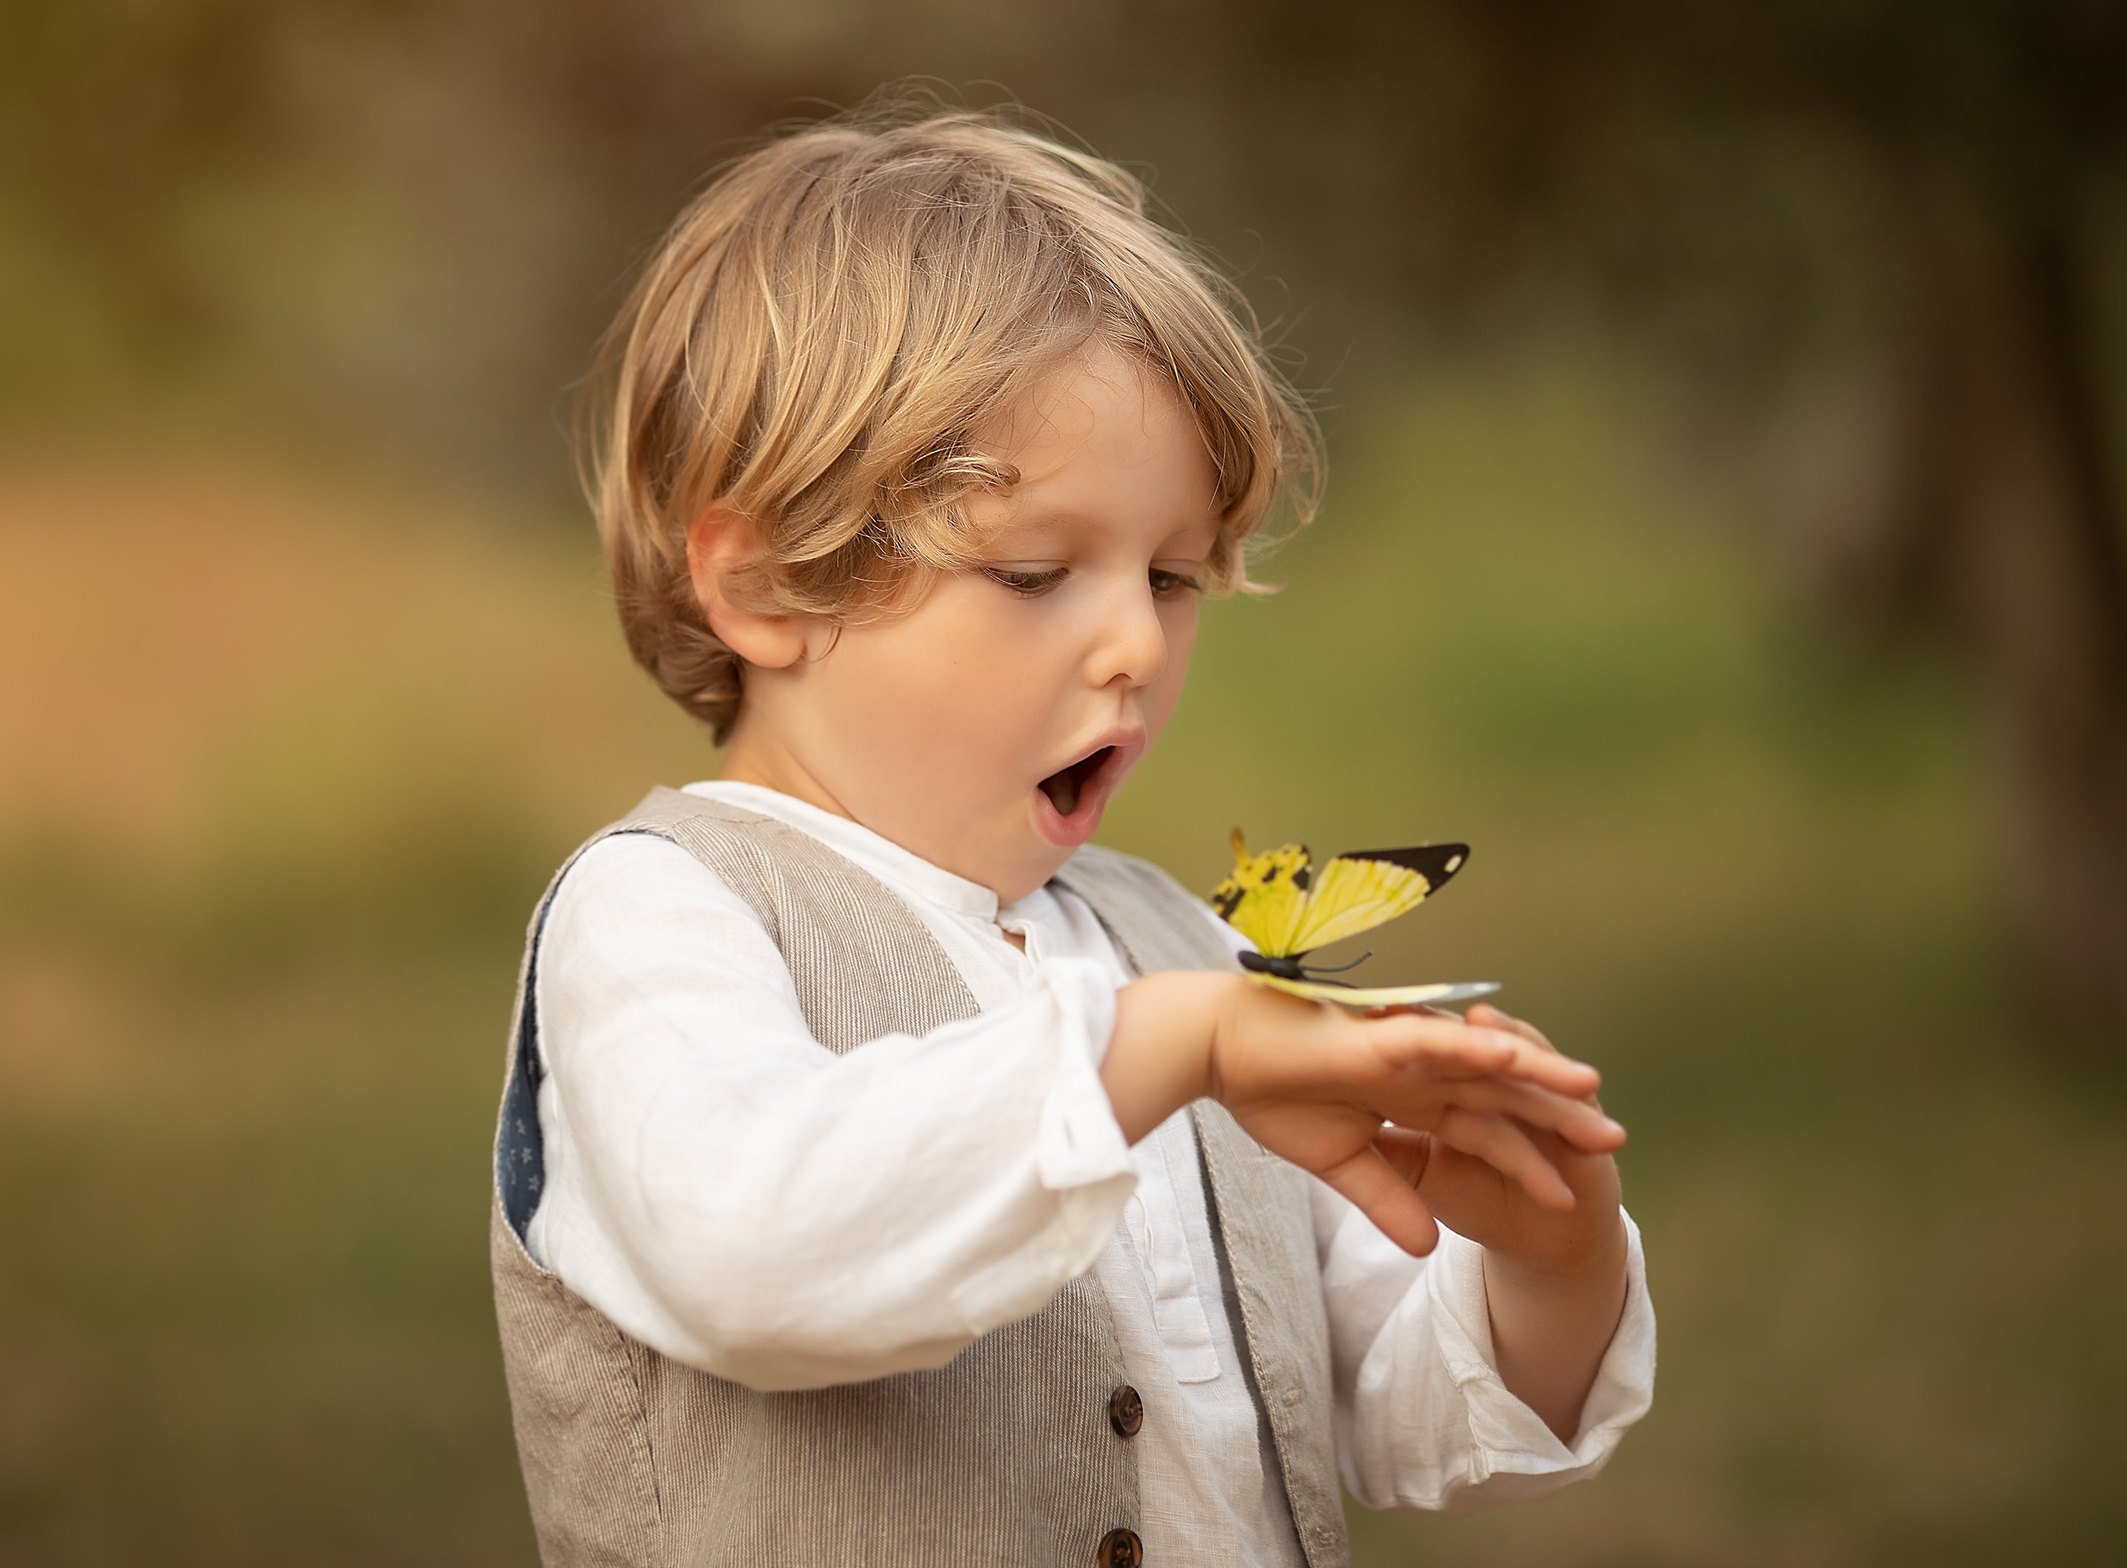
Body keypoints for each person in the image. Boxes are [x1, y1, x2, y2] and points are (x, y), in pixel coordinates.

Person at [490, 105, 1654, 1567]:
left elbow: (1403, 1408)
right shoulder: (661, 918)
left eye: (1171, 578)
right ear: (767, 586)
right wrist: (1171, 1048)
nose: (1133, 648)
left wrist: (1550, 1257)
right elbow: (749, 1245)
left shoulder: (1182, 953)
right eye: (1036, 573)